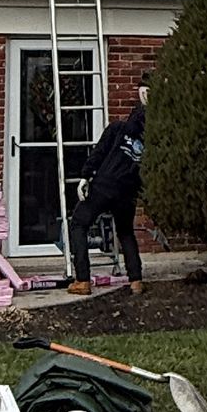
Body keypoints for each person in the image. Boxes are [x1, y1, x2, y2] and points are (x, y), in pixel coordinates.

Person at [65, 83, 149, 297]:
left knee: (79, 224)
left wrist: (85, 176)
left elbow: (98, 153)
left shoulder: (117, 129)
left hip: (104, 185)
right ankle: (136, 281)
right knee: (126, 232)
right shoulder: (147, 143)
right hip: (127, 192)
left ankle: (82, 280)